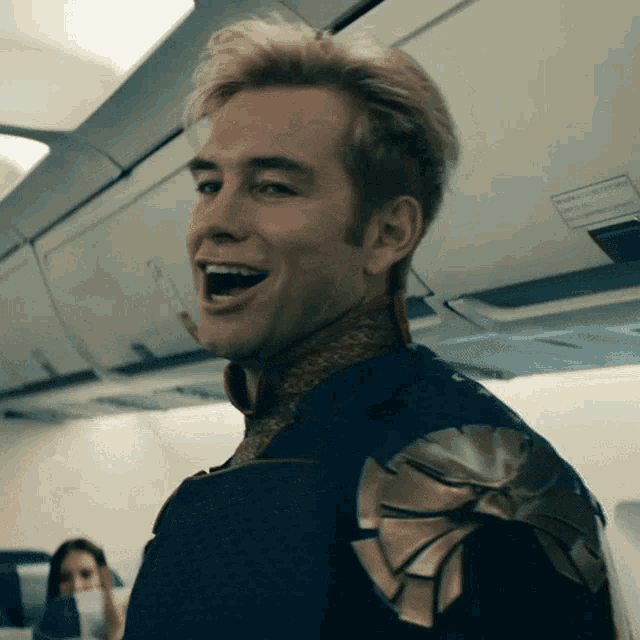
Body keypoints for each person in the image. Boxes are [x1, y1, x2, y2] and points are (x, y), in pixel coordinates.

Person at [122, 10, 631, 640]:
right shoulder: (476, 454)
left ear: (388, 233)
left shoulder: (310, 509)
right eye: (208, 185)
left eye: (274, 187)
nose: (215, 223)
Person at [37, 538, 126, 640]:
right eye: (65, 578)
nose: (76, 587)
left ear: (103, 580)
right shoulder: (42, 632)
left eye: (86, 574)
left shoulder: (133, 623)